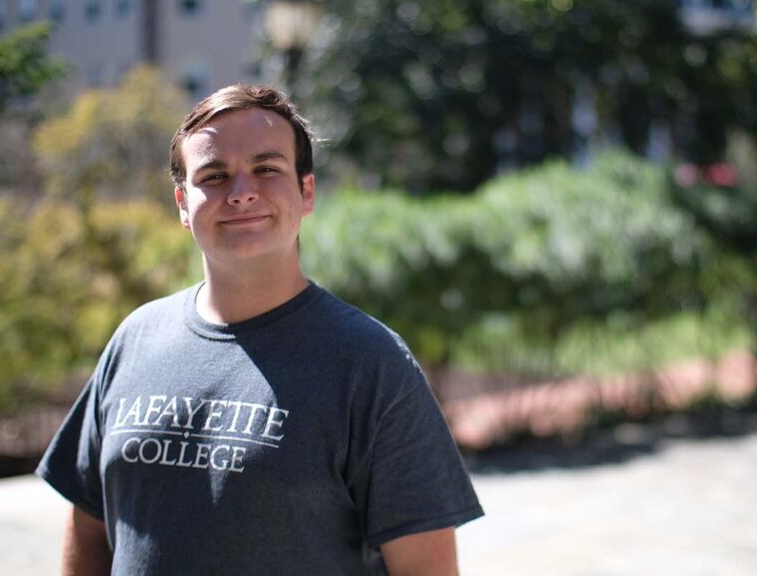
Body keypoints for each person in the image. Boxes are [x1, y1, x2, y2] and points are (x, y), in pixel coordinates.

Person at [37, 84, 484, 575]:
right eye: (215, 175)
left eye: (267, 169)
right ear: (183, 204)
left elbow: (425, 568)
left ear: (306, 191)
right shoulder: (135, 339)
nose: (242, 191)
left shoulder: (370, 362)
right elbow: (87, 529)